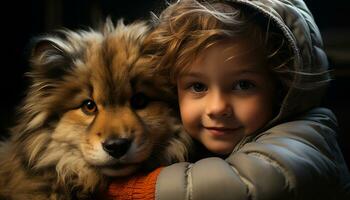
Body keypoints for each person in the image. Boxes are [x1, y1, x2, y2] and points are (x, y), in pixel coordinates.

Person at [105, 0, 350, 199]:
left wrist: (137, 189)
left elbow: (245, 184)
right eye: (198, 86)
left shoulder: (307, 139)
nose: (217, 107)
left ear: (282, 87)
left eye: (243, 85)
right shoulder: (201, 139)